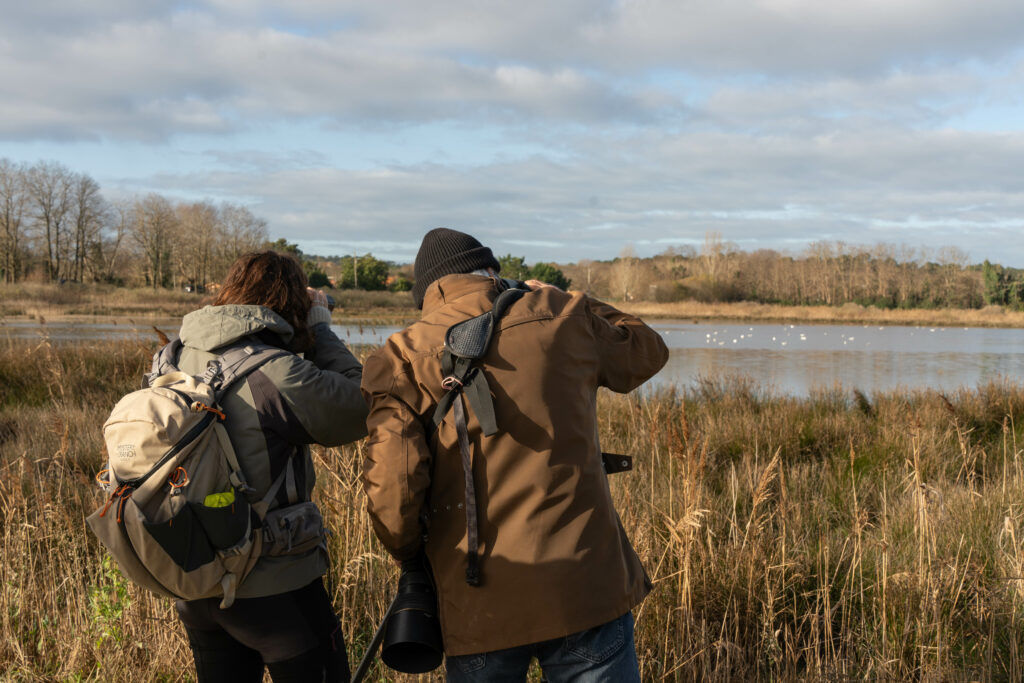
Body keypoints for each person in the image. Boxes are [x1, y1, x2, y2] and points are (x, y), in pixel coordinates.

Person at [360, 228, 669, 682]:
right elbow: (646, 350)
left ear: (427, 291)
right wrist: (573, 298)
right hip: (585, 587)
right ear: (489, 271)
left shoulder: (400, 356)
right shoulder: (561, 314)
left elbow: (394, 488)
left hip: (477, 596)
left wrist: (412, 556)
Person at [170, 250, 366, 682]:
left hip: (196, 579)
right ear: (288, 303)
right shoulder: (275, 371)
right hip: (273, 583)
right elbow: (361, 405)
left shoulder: (175, 355)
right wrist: (320, 328)